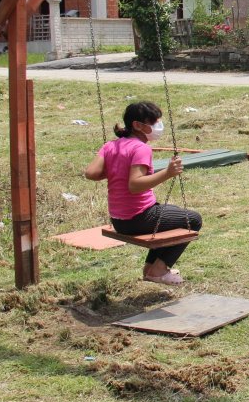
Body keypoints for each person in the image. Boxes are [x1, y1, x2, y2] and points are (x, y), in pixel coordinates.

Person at [83, 101, 201, 285]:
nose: (158, 126)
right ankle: (159, 270)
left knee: (173, 213)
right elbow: (135, 185)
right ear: (137, 125)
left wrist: (117, 169)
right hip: (139, 218)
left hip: (119, 221)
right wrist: (167, 173)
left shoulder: (111, 145)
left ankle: (149, 269)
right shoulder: (141, 148)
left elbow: (91, 173)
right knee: (193, 220)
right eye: (153, 122)